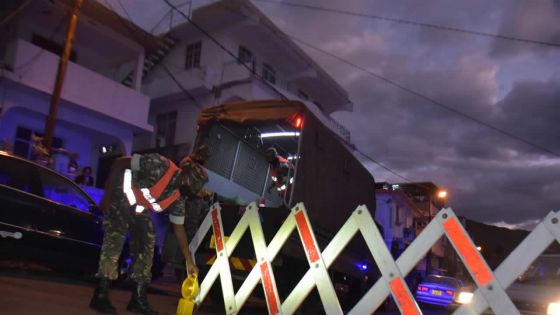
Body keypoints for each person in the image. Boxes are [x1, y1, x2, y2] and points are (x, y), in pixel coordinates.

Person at [89, 148, 204, 315]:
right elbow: (119, 162)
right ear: (185, 176)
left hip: (138, 207)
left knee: (148, 241)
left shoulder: (178, 198)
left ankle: (138, 299)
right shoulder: (160, 165)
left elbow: (179, 230)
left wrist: (190, 262)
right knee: (115, 239)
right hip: (121, 194)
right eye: (192, 186)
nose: (192, 191)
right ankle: (100, 295)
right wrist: (106, 196)